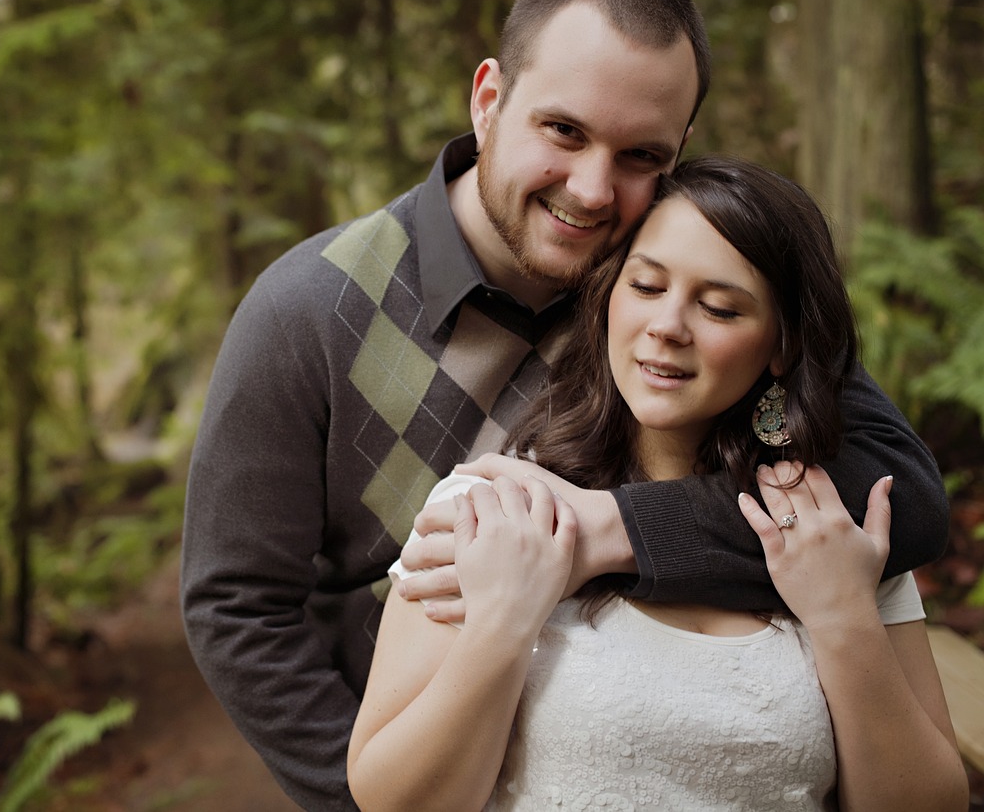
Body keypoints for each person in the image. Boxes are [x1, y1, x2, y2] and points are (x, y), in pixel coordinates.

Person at [180, 0, 949, 808]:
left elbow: (897, 497)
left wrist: (611, 528)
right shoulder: (308, 311)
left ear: (678, 153)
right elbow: (237, 606)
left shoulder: (680, 276)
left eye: (639, 154)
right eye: (563, 130)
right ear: (487, 99)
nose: (591, 189)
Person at [348, 156, 968, 811]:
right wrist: (502, 621)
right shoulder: (496, 509)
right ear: (608, 296)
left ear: (781, 344)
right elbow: (395, 800)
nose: (668, 326)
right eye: (646, 287)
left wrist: (844, 618)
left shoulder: (832, 530)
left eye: (720, 308)